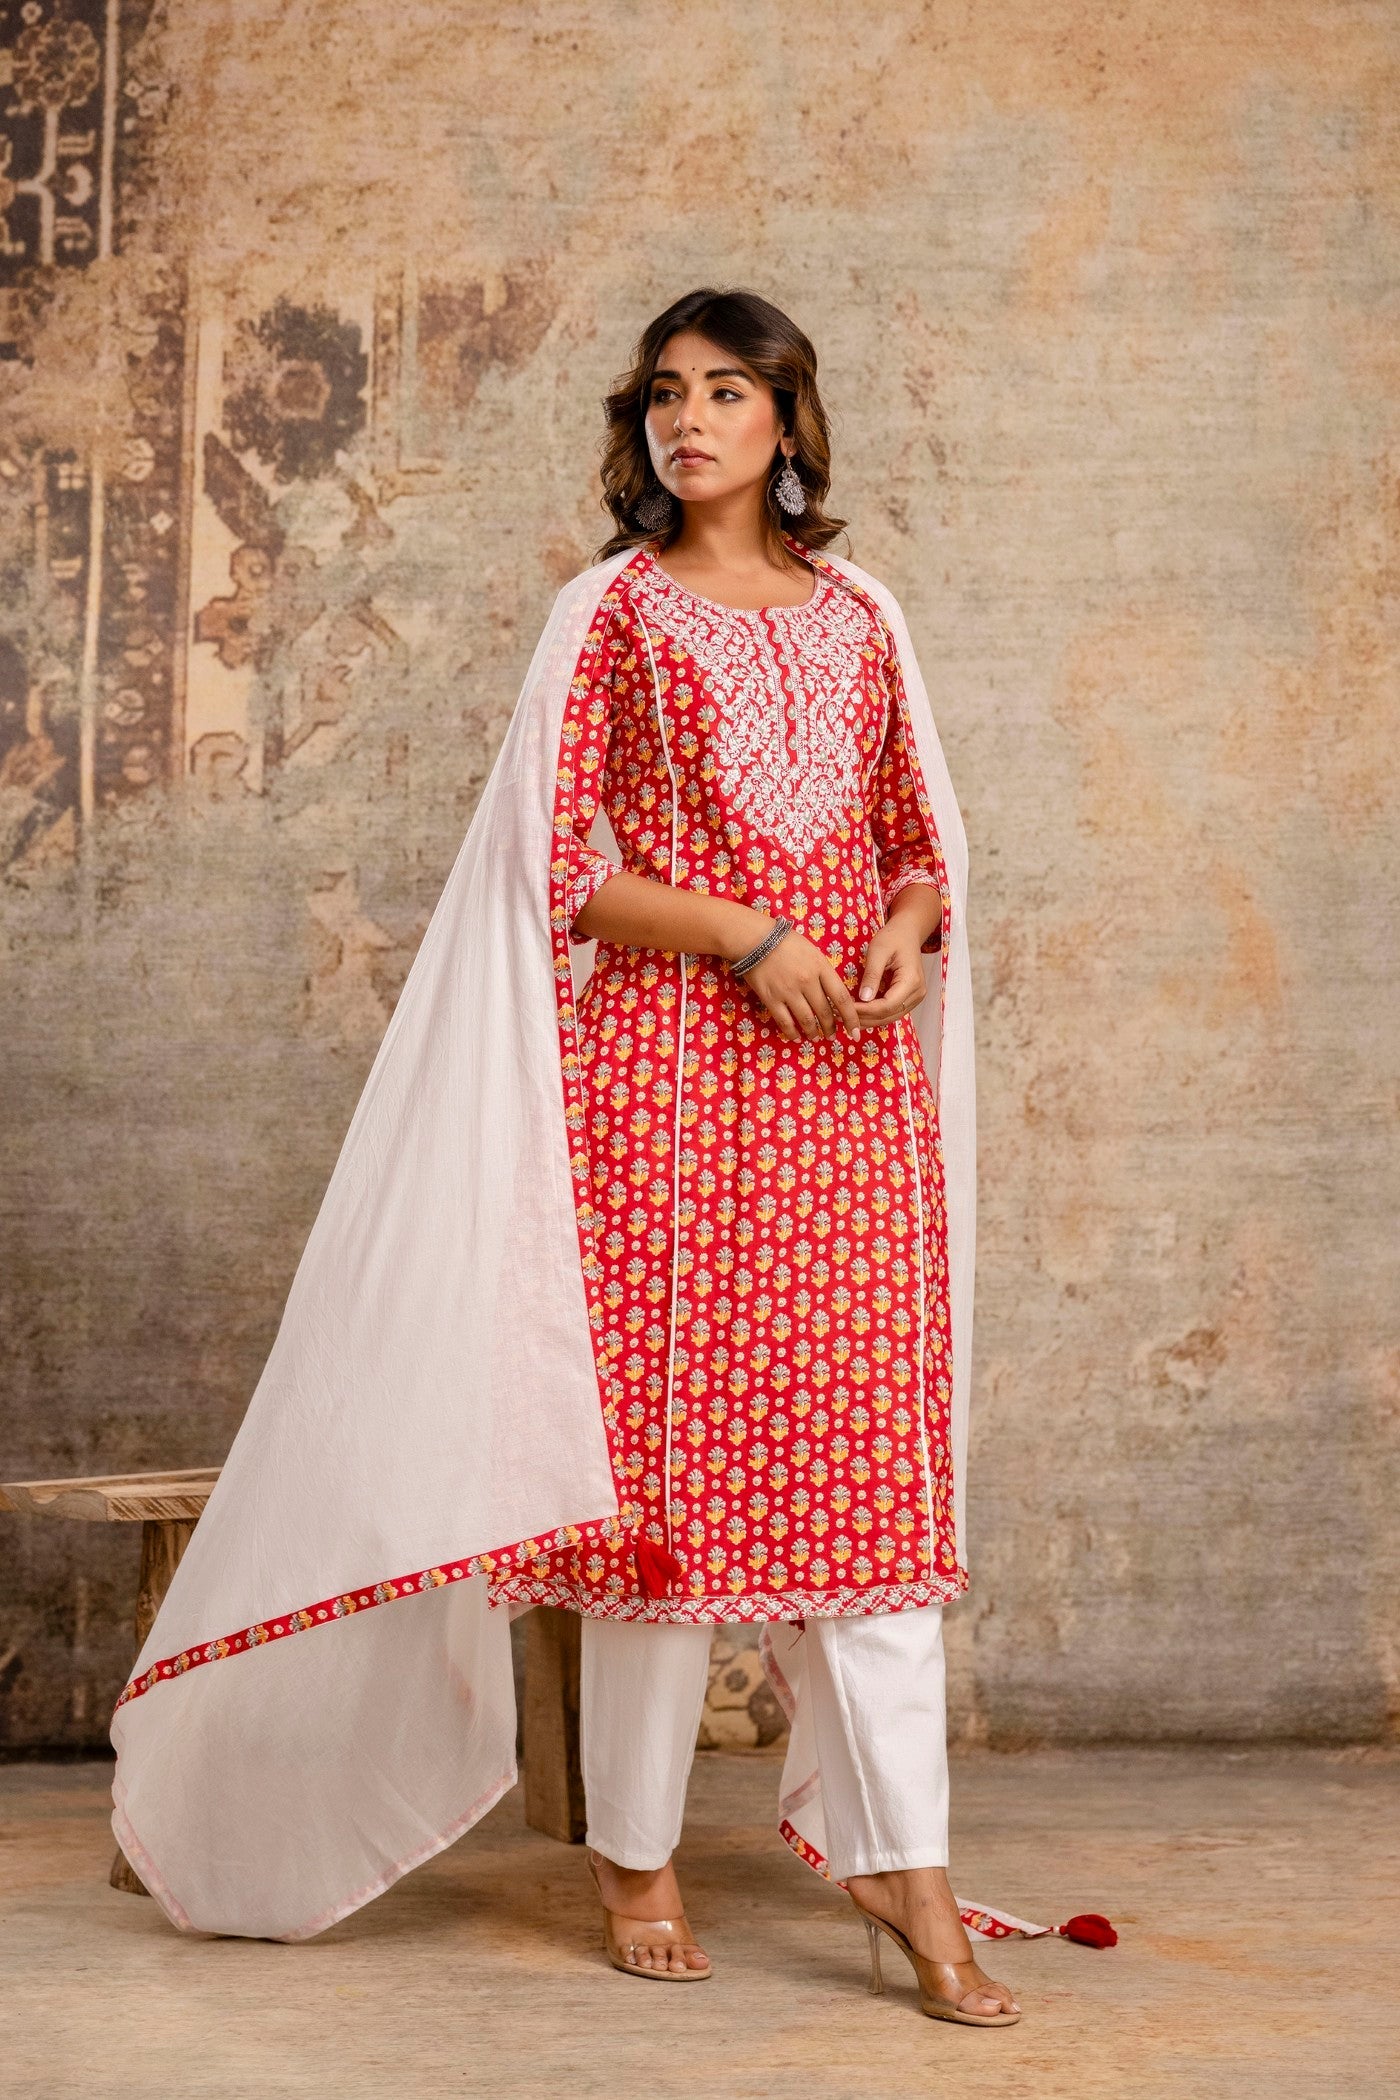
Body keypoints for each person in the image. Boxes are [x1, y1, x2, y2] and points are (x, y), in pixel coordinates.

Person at [108, 286, 1020, 2026]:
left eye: (730, 391)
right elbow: (553, 867)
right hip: (666, 1087)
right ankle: (639, 1855)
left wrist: (911, 921)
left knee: (867, 1480)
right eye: (667, 394)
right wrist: (747, 935)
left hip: (846, 1101)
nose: (693, 421)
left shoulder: (862, 616)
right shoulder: (607, 617)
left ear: (787, 421)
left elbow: (919, 839)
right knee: (665, 1506)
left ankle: (915, 1880)